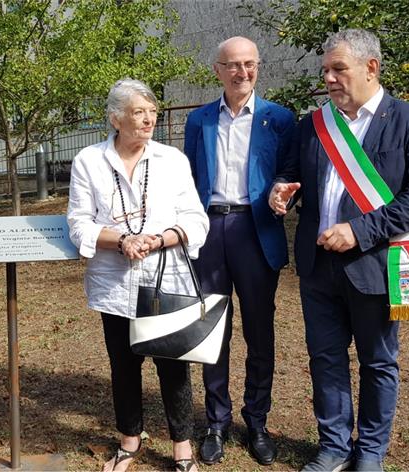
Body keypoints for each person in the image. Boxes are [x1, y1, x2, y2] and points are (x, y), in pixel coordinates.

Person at [269, 29, 409, 472]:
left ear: (371, 67)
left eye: (338, 69)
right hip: (318, 266)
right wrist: (282, 191)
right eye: (325, 70)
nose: (328, 78)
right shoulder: (313, 125)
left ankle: (370, 453)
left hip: (378, 263)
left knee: (377, 361)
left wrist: (360, 231)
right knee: (325, 359)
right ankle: (332, 446)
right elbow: (291, 172)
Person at [67, 79, 209, 472]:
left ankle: (182, 447)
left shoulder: (172, 160)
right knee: (124, 365)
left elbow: (196, 221)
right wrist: (122, 240)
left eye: (152, 112)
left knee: (172, 364)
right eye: (138, 112)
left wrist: (159, 240)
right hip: (114, 283)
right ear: (116, 118)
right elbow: (78, 224)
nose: (148, 120)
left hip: (166, 278)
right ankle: (130, 441)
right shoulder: (89, 161)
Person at [183, 36, 295, 466]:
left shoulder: (280, 119)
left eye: (249, 64)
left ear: (258, 67)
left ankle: (258, 421)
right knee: (213, 330)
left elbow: (289, 170)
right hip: (210, 228)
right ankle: (216, 421)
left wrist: (284, 191)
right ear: (217, 70)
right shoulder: (199, 121)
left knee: (259, 331)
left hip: (256, 227)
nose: (241, 72)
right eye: (232, 65)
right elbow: (188, 177)